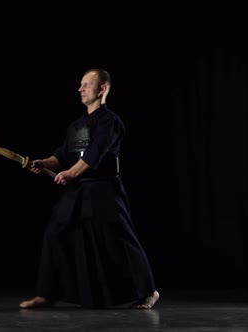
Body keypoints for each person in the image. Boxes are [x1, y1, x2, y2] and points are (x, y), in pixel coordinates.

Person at [20, 68, 159, 309]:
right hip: (79, 189)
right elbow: (65, 154)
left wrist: (71, 173)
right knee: (56, 232)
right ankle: (47, 293)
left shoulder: (110, 122)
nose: (80, 89)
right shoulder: (78, 124)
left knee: (120, 238)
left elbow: (95, 153)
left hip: (104, 189)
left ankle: (148, 291)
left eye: (86, 84)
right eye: (80, 84)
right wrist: (45, 163)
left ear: (102, 89)